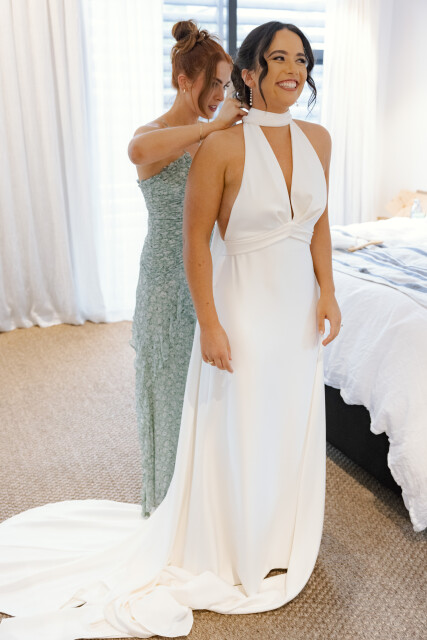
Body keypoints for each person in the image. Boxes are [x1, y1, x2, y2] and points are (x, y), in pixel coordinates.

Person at [0, 21, 341, 640]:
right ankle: (213, 528)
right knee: (229, 418)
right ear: (250, 72)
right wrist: (210, 322)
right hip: (226, 299)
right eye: (279, 58)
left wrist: (330, 293)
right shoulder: (215, 144)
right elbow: (195, 241)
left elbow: (318, 225)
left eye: (302, 58)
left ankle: (278, 533)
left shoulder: (318, 138)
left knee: (287, 418)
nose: (294, 69)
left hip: (294, 310)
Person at [128, 20, 245, 516]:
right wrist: (213, 127)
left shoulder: (217, 140)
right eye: (213, 84)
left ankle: (205, 510)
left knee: (211, 397)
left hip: (210, 279)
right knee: (169, 392)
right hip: (164, 282)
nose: (220, 95)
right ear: (183, 80)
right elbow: (137, 153)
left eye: (226, 85)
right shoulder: (154, 136)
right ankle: (166, 508)